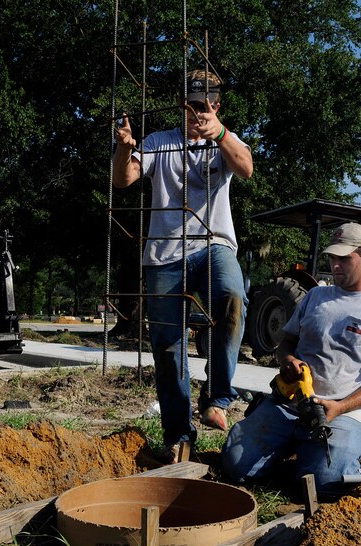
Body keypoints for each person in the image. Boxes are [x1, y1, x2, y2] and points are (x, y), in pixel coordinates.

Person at [112, 70, 254, 463]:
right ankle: (179, 434)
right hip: (164, 254)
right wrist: (125, 147)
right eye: (191, 106)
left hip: (212, 245)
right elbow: (124, 180)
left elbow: (246, 169)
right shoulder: (159, 142)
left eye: (205, 106)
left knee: (230, 295)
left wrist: (221, 134)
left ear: (216, 106)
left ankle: (218, 397)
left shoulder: (225, 140)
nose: (197, 113)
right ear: (181, 106)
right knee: (168, 347)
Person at [221, 222, 361, 495]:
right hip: (288, 404)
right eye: (332, 258)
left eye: (343, 259)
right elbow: (286, 342)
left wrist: (341, 406)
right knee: (235, 465)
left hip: (340, 413)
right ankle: (298, 447)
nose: (335, 265)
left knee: (326, 485)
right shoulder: (315, 297)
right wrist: (287, 360)